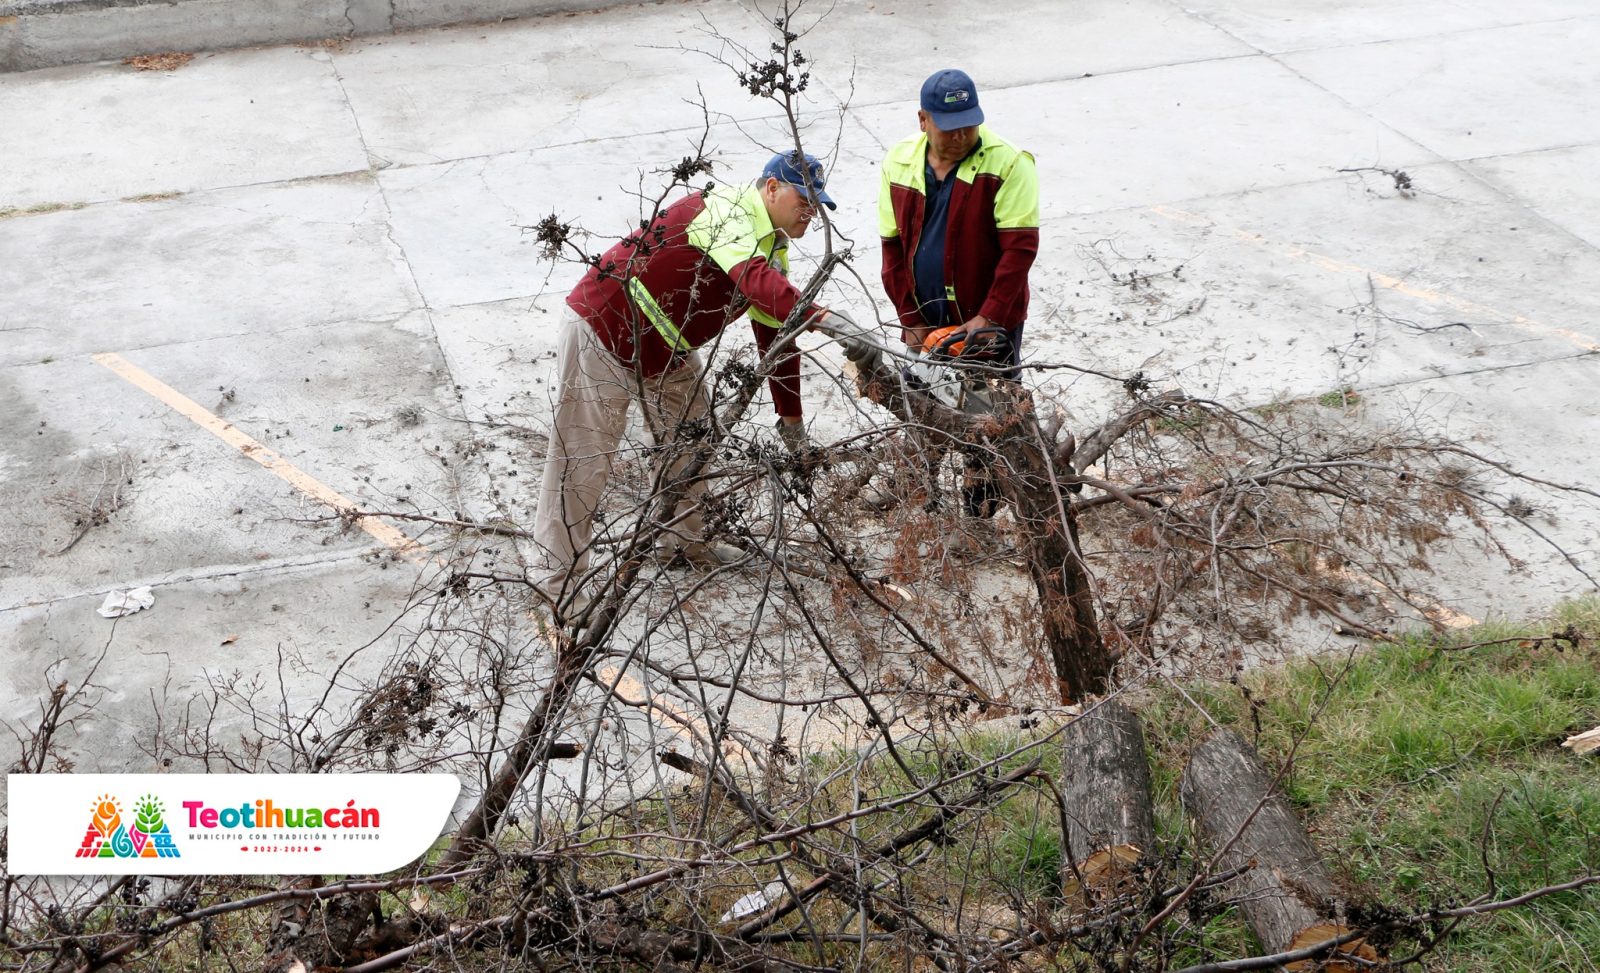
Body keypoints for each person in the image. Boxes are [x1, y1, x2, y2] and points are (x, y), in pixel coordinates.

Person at [530, 151, 840, 618]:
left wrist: (790, 419)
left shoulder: (774, 245)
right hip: (608, 326)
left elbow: (776, 330)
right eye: (804, 198)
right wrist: (827, 318)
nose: (810, 211)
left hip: (666, 347)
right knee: (582, 461)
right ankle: (557, 587)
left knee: (693, 438)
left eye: (818, 203)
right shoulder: (729, 210)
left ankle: (680, 545)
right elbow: (755, 282)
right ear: (772, 189)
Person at [878, 68, 1040, 519]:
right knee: (921, 408)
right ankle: (916, 500)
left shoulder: (1008, 163)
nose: (962, 134)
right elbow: (892, 245)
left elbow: (1019, 250)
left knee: (989, 420)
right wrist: (910, 319)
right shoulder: (899, 161)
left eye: (970, 122)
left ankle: (980, 513)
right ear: (923, 120)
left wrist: (989, 319)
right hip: (926, 320)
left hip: (986, 322)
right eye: (950, 127)